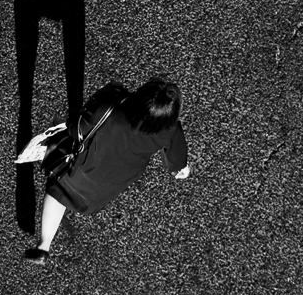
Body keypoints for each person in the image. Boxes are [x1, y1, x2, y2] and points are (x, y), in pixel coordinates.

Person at [25, 76, 190, 263]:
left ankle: (44, 246)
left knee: (57, 193)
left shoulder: (111, 109)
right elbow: (176, 157)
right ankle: (48, 241)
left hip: (85, 168)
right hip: (115, 179)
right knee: (78, 195)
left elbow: (76, 130)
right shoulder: (169, 129)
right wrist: (180, 168)